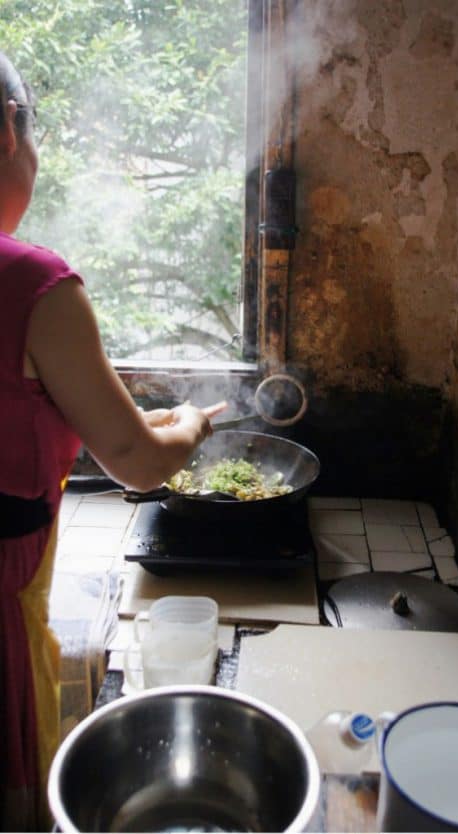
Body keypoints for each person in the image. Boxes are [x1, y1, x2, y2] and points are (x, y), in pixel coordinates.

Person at [0, 52, 226, 831]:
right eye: (36, 137)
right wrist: (191, 424)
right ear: (6, 132)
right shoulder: (32, 282)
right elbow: (136, 466)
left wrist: (130, 426)